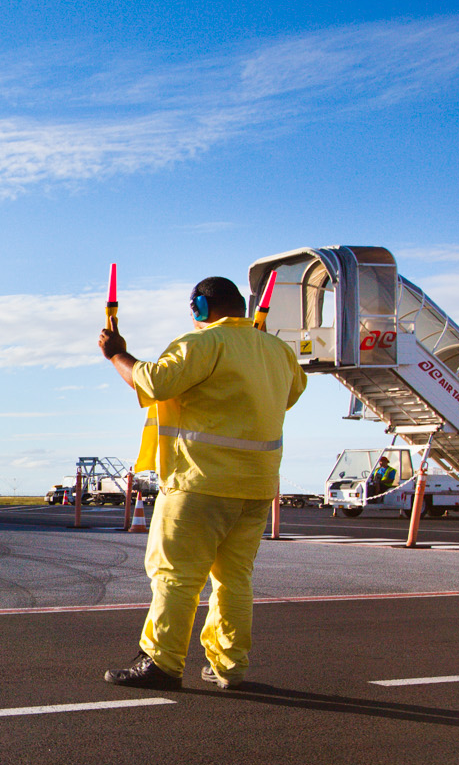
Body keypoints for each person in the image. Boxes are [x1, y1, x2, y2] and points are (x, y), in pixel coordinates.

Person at [97, 275, 307, 690]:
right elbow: (290, 394)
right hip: (257, 487)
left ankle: (162, 661)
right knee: (234, 579)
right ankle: (229, 666)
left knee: (175, 575)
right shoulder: (277, 351)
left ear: (200, 309)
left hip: (200, 483)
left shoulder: (200, 345)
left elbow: (155, 381)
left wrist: (117, 355)